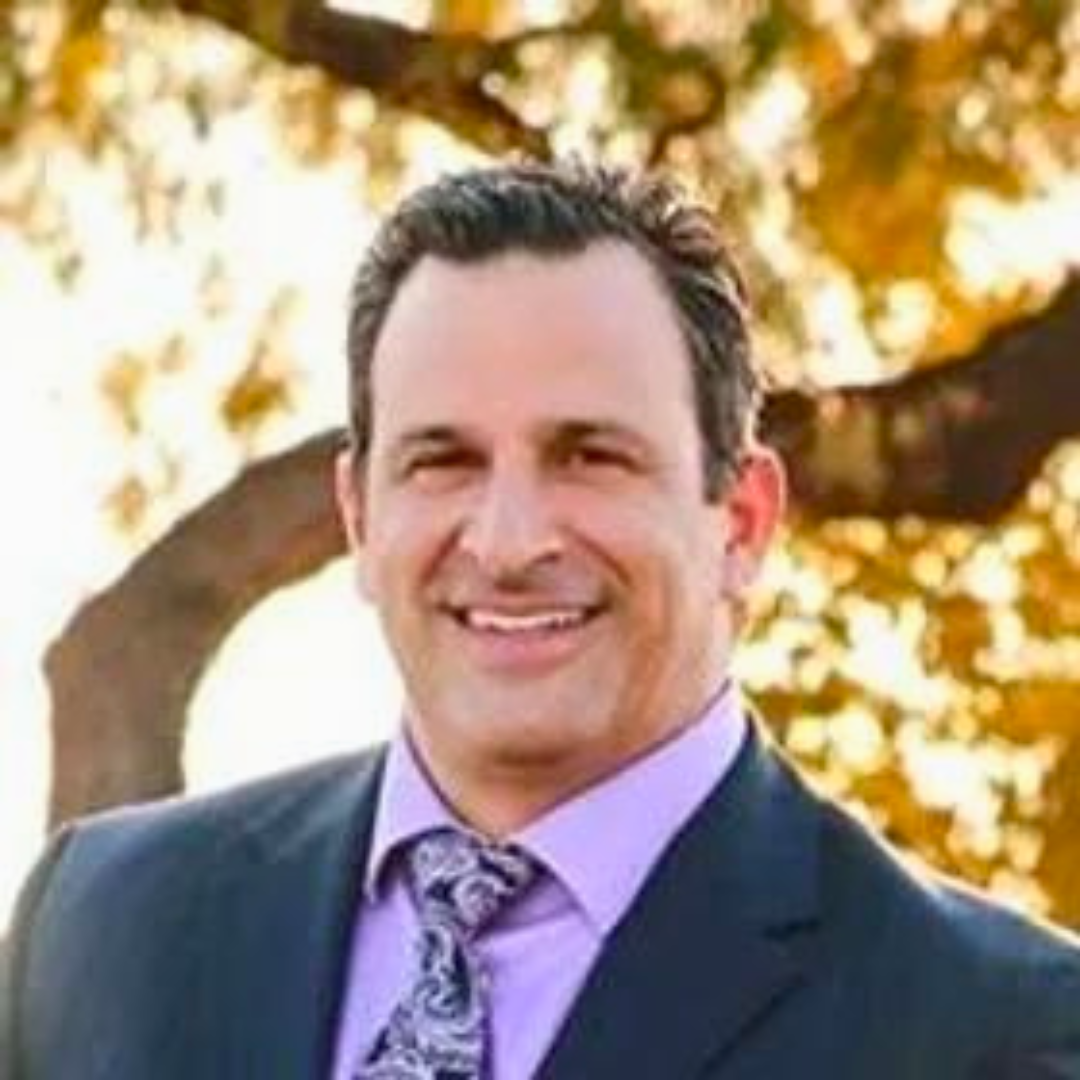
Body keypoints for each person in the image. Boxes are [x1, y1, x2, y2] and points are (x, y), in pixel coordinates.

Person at [2, 160, 1079, 1080]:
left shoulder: (1002, 1032)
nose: (509, 542)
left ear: (741, 523)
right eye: (443, 459)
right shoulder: (101, 922)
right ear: (359, 516)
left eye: (590, 456)